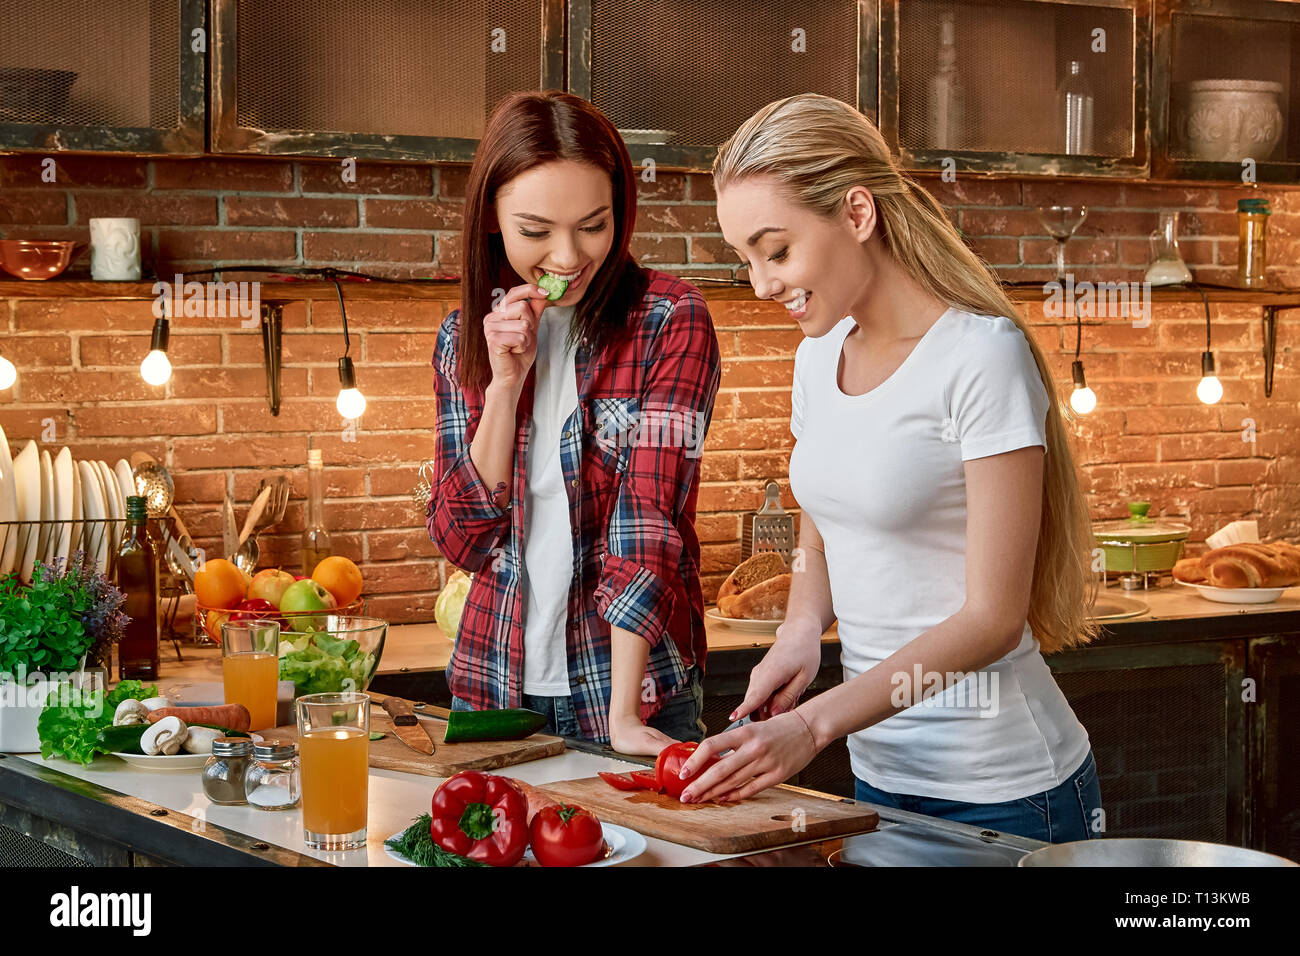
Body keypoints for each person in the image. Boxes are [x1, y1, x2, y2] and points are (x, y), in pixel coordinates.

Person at [677, 94, 1104, 843]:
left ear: (857, 214)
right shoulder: (816, 359)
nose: (761, 283)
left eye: (776, 251)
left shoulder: (980, 357)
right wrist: (803, 627)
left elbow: (993, 619)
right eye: (745, 258)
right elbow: (823, 529)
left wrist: (811, 729)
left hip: (1006, 790)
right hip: (883, 781)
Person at [426, 91, 721, 755]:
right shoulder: (461, 339)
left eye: (593, 224)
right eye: (536, 231)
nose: (566, 257)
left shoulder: (669, 320)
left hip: (631, 694)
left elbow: (645, 522)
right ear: (493, 221)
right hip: (492, 689)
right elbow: (460, 541)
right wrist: (505, 387)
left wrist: (622, 714)